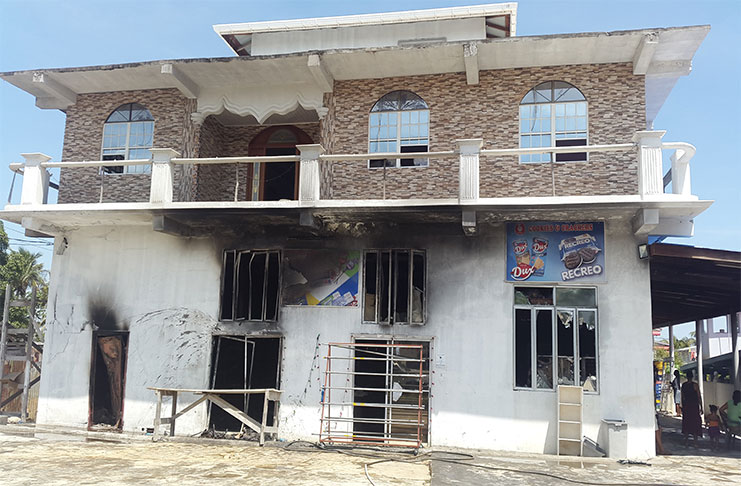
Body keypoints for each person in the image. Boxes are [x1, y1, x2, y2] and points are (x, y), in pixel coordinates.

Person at [681, 369, 703, 446]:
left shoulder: (684, 385)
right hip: (694, 406)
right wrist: (701, 406)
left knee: (687, 422)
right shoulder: (695, 385)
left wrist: (682, 406)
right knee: (695, 423)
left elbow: (682, 397)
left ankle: (686, 440)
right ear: (692, 377)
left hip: (687, 406)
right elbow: (699, 396)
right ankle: (695, 442)